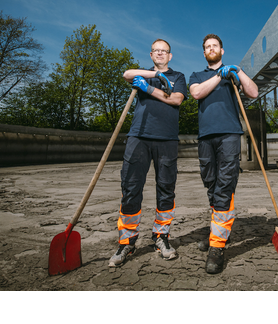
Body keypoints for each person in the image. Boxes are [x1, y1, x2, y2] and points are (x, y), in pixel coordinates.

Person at [109, 39, 187, 267]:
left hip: (167, 140)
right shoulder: (142, 75)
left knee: (166, 188)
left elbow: (176, 99)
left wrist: (149, 88)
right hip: (139, 137)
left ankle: (161, 237)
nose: (160, 53)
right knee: (131, 187)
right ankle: (127, 242)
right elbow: (126, 74)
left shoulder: (178, 77)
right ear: (151, 55)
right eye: (156, 51)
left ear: (170, 56)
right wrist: (151, 77)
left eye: (164, 51)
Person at [189, 33, 258, 274]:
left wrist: (238, 72)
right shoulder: (197, 76)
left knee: (225, 186)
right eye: (207, 47)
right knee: (211, 184)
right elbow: (197, 93)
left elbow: (254, 92)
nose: (211, 49)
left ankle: (217, 246)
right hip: (206, 137)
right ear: (204, 52)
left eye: (214, 45)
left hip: (229, 134)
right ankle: (221, 233)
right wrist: (219, 76)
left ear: (222, 50)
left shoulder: (232, 75)